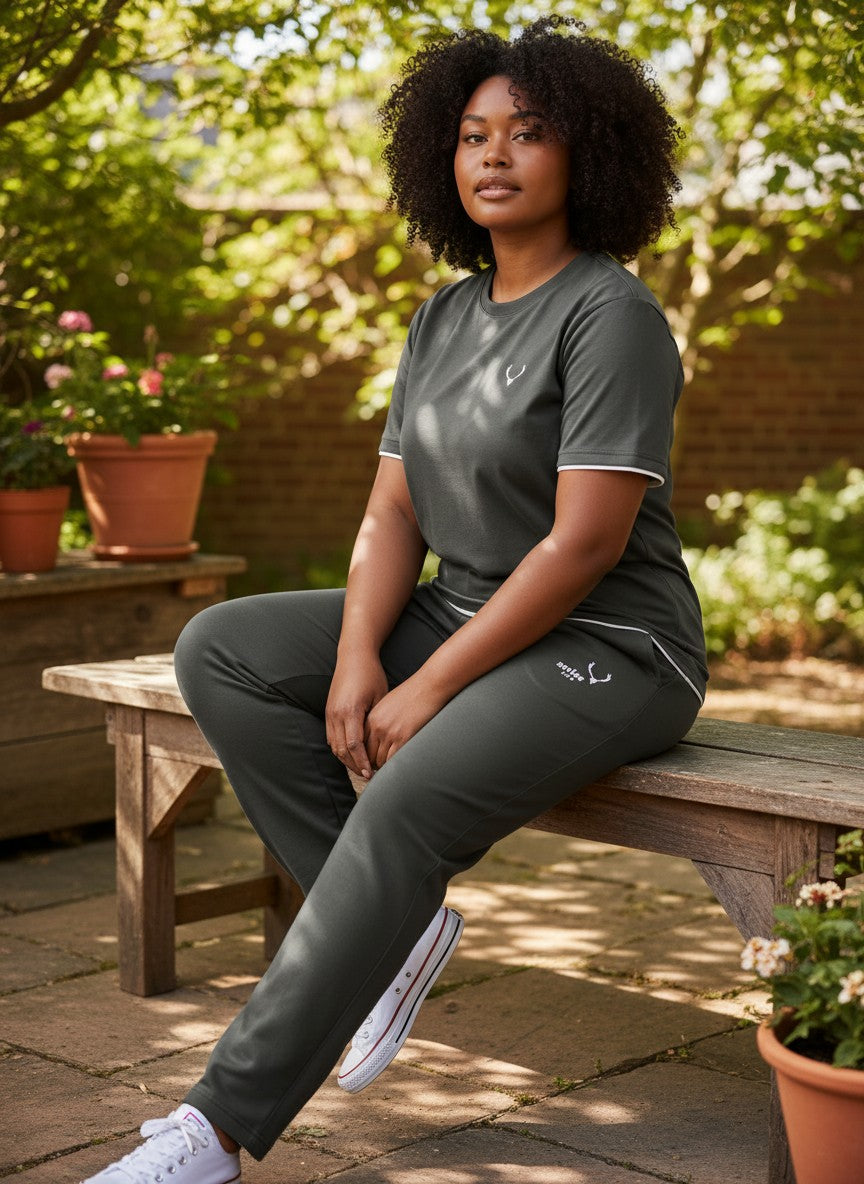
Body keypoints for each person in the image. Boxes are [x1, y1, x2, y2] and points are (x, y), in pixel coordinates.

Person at [84, 16, 708, 1183]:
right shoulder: (443, 317)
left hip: (612, 646)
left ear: (591, 153)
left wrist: (425, 681)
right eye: (473, 134)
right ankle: (391, 924)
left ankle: (212, 1133)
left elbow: (583, 547)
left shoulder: (610, 314)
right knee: (223, 645)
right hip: (462, 609)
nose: (495, 155)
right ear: (440, 156)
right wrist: (365, 654)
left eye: (529, 131)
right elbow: (390, 516)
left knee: (406, 794)